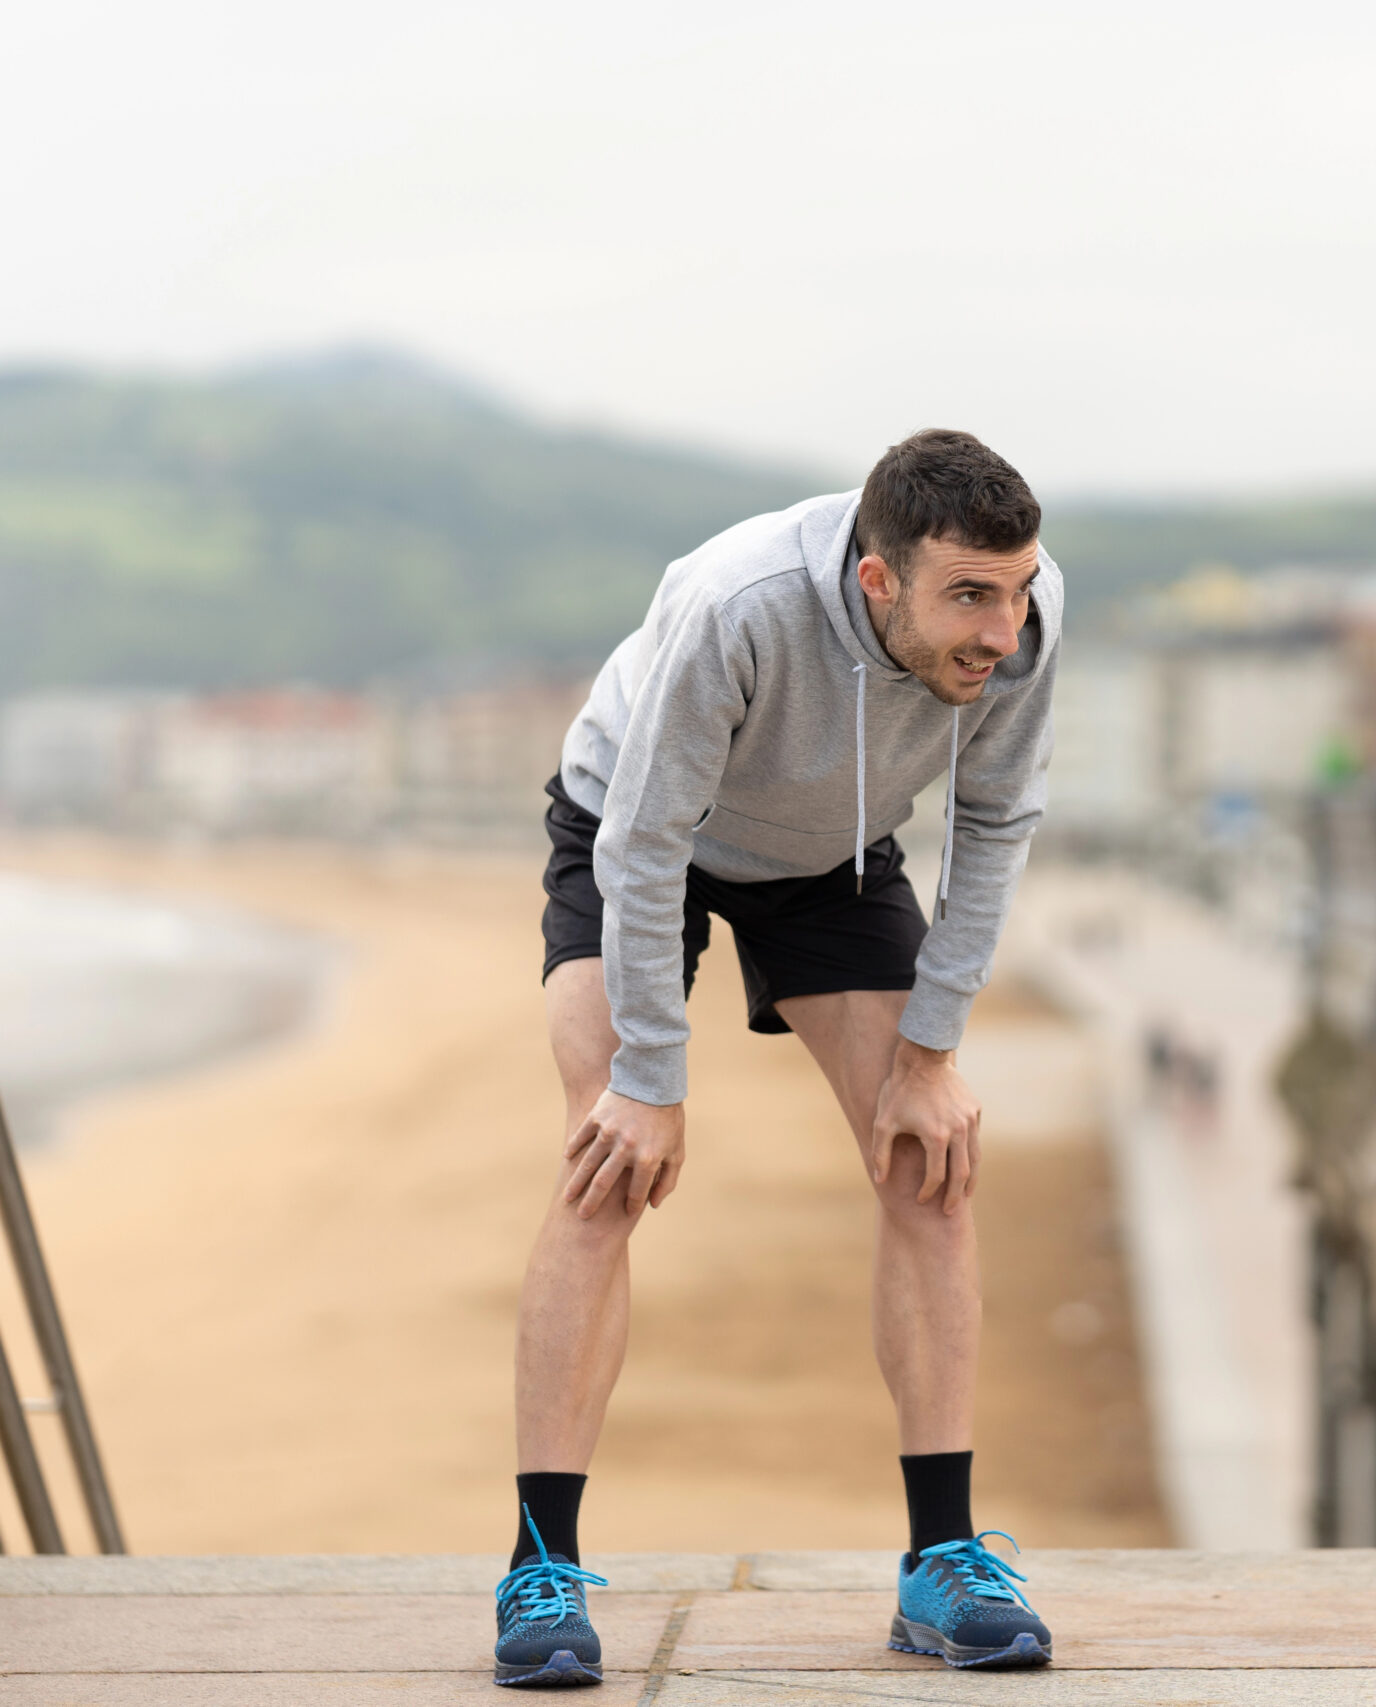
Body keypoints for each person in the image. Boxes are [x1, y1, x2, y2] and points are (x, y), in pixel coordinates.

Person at [493, 430, 1061, 1686]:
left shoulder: (1025, 611)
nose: (1001, 629)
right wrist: (650, 1075)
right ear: (877, 581)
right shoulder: (738, 606)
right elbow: (641, 843)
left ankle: (942, 1559)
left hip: (836, 855)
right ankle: (541, 1568)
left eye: (1017, 589)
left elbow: (998, 818)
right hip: (637, 823)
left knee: (930, 1158)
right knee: (602, 1162)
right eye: (969, 595)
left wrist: (931, 1050)